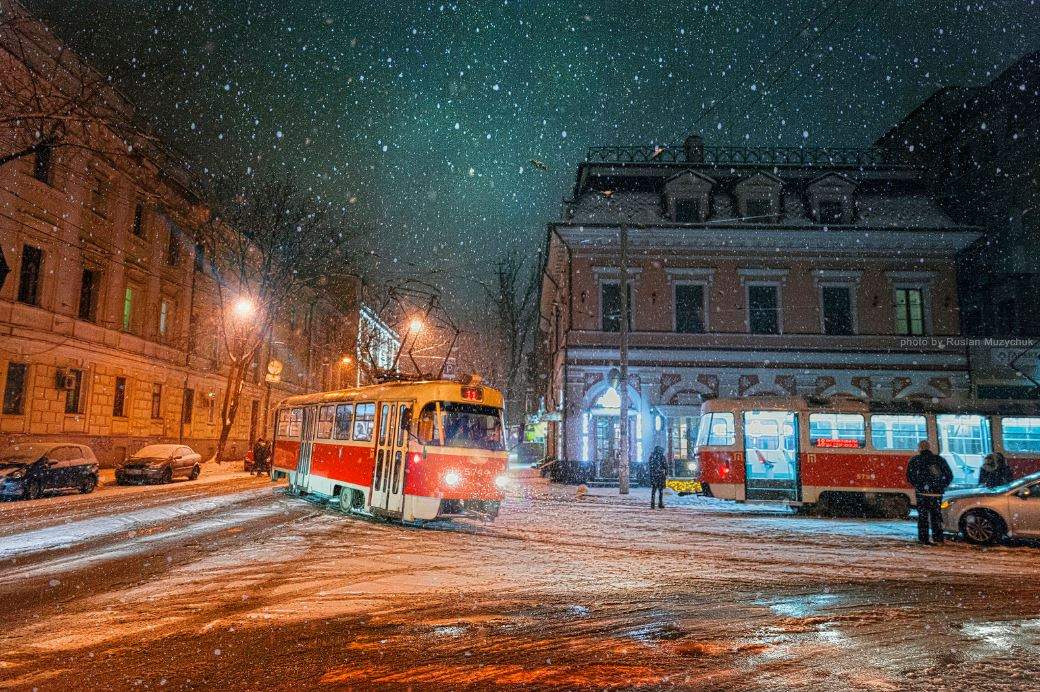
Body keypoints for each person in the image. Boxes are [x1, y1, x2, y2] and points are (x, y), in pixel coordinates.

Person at [906, 440, 953, 545]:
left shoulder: (915, 460)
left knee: (923, 517)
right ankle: (938, 538)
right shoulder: (939, 459)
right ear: (929, 447)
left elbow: (910, 477)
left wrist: (919, 486)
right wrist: (940, 486)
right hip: (937, 494)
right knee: (936, 516)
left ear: (920, 448)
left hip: (922, 494)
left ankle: (924, 539)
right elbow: (949, 476)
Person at [648, 445, 668, 509]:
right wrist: (666, 473)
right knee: (660, 491)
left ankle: (652, 503)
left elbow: (650, 465)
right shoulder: (662, 456)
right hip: (660, 475)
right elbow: (665, 465)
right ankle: (660, 503)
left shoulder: (652, 456)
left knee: (653, 490)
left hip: (654, 475)